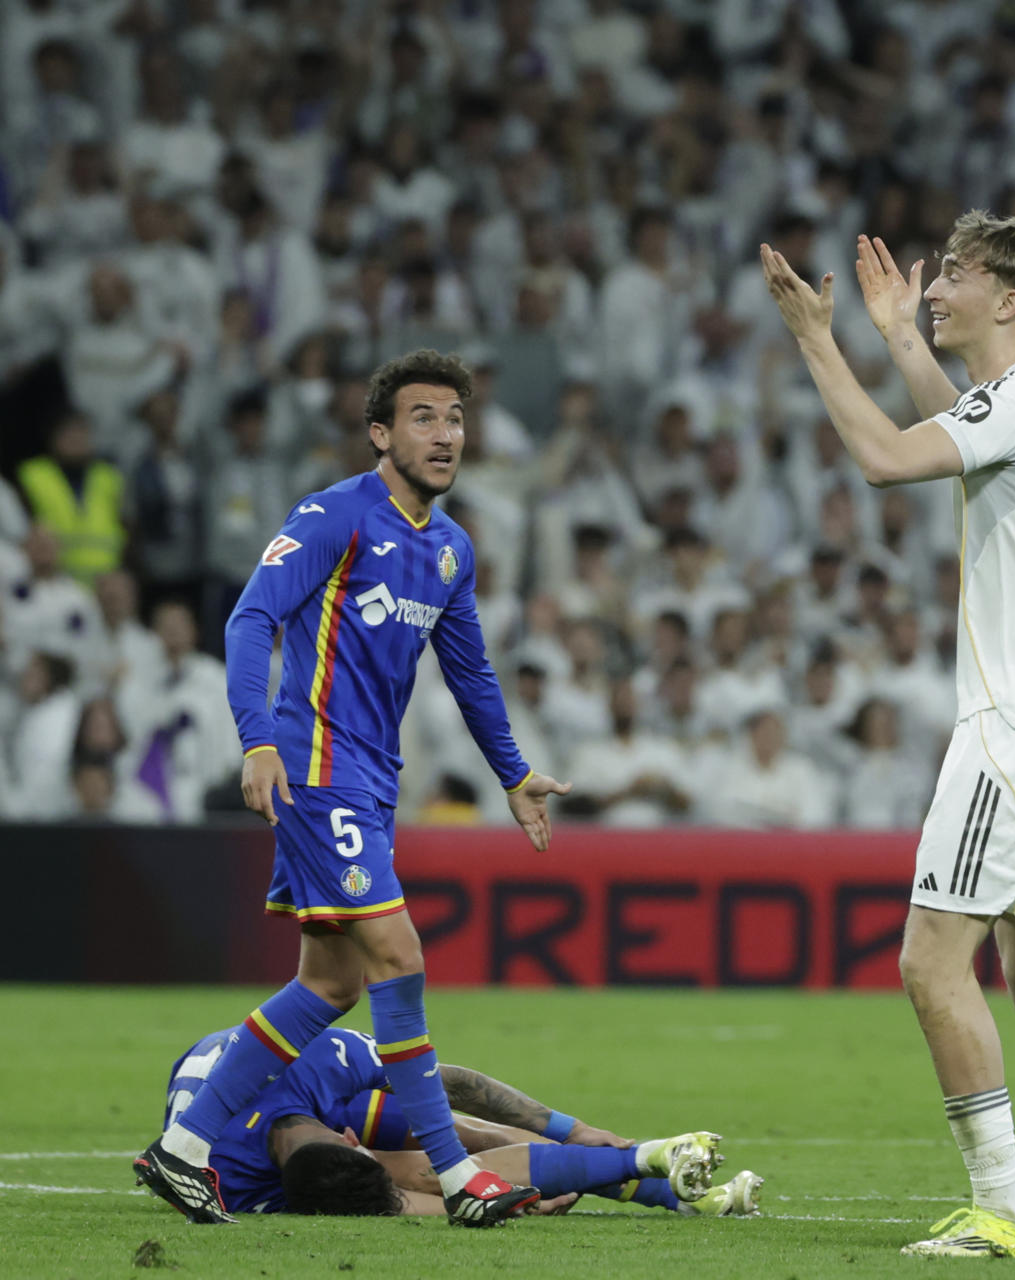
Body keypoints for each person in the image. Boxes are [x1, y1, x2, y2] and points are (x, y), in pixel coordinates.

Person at [135, 349, 583, 1228]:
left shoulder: (450, 551)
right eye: (423, 416)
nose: (445, 433)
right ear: (380, 433)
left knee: (332, 984)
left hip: (371, 785)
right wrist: (258, 741)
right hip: (315, 770)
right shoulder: (335, 515)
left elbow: (472, 673)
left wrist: (514, 772)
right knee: (400, 961)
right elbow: (249, 617)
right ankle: (458, 1179)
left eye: (455, 417)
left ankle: (183, 1148)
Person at [762, 216, 1015, 1259]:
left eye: (956, 275)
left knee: (929, 959)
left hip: (1014, 720)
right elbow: (963, 432)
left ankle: (1000, 1209)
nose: (935, 288)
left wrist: (815, 337)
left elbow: (882, 458)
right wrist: (899, 344)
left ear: (1010, 300)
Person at [161, 1022, 760, 1218]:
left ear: (348, 1135)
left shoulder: (321, 1060)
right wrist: (516, 1200)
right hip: (257, 1124)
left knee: (462, 1136)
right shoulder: (224, 1185)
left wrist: (569, 1130)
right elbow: (395, 1197)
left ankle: (641, 1164)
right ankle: (669, 1184)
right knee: (437, 1173)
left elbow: (458, 1083)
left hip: (280, 1085)